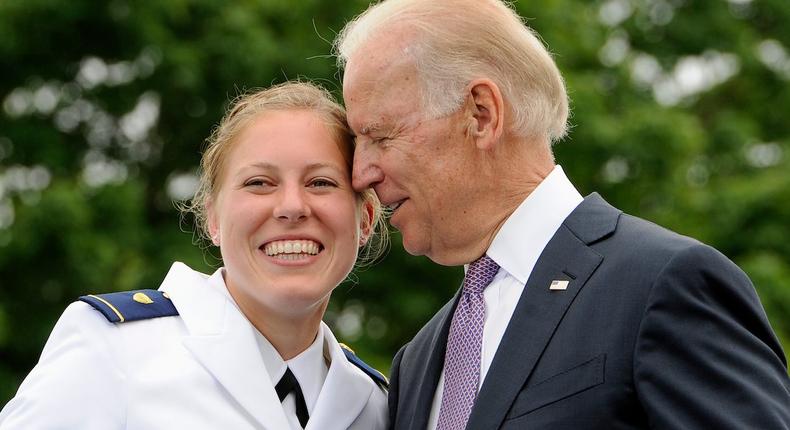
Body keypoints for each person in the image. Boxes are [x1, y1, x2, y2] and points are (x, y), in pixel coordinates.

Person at [334, 0, 790, 429]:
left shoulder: (664, 284)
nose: (360, 175)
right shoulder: (418, 360)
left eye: (381, 136)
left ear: (481, 113)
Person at [0, 82, 389, 430]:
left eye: (320, 182)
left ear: (365, 218)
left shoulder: (376, 404)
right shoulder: (115, 349)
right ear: (213, 218)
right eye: (259, 183)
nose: (291, 206)